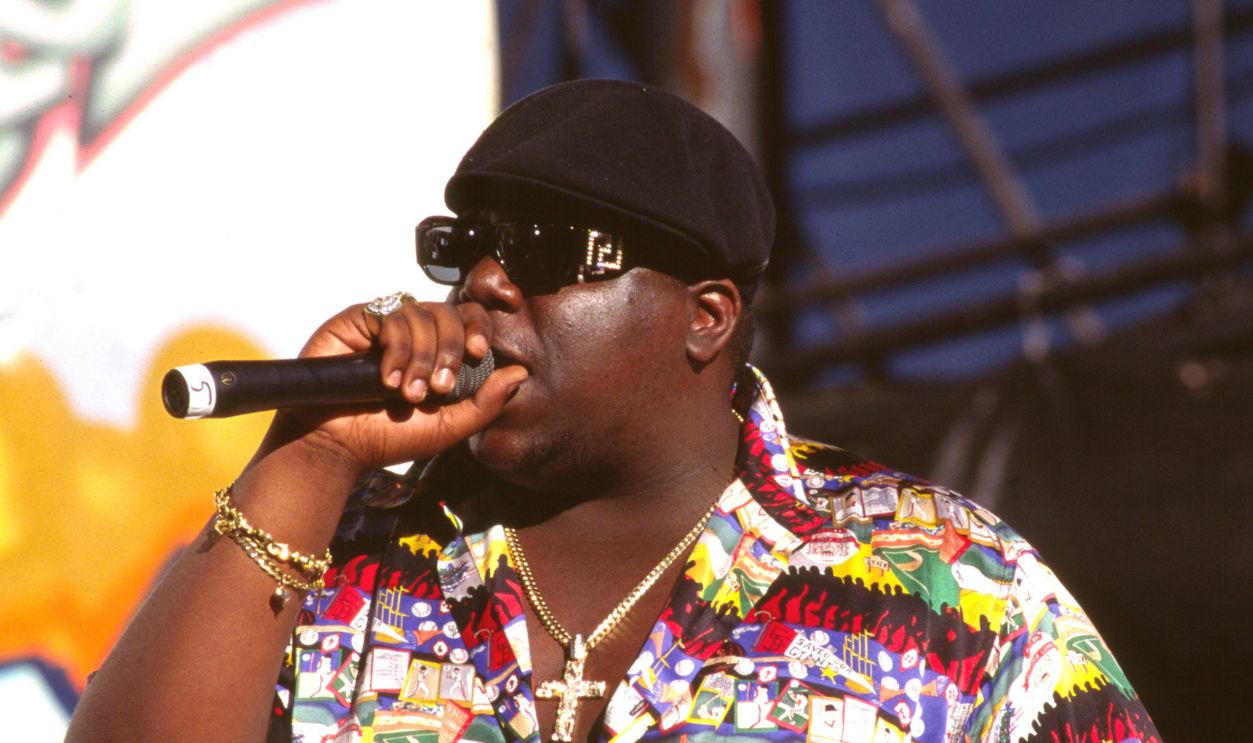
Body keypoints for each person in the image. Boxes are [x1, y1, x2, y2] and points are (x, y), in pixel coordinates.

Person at [66, 79, 1159, 743]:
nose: (487, 283)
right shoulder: (336, 559)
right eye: (466, 246)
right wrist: (310, 460)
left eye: (547, 250)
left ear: (704, 315)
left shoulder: (941, 574)